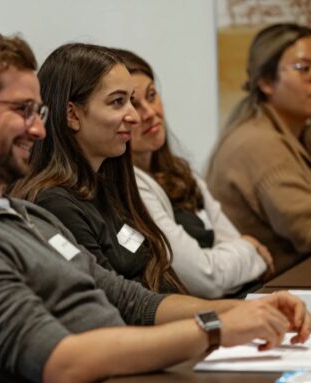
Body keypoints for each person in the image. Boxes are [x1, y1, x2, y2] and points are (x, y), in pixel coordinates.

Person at [0, 31, 311, 383]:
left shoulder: (22, 216)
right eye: (22, 111)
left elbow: (132, 302)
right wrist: (216, 329)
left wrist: (244, 309)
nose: (39, 127)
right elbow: (59, 360)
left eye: (37, 111)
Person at [11, 43, 185, 294]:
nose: (134, 117)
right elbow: (115, 303)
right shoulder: (54, 204)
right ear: (72, 115)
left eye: (131, 101)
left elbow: (156, 269)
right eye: (117, 102)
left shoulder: (106, 183)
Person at [207, 23, 311, 274]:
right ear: (265, 82)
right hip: (259, 293)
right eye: (303, 68)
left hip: (297, 277)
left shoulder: (303, 134)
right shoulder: (257, 142)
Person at [113, 48, 273, 298]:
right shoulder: (129, 186)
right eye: (132, 103)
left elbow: (229, 242)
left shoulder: (181, 172)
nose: (149, 113)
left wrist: (238, 254)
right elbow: (205, 279)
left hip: (246, 299)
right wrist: (250, 251)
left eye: (152, 96)